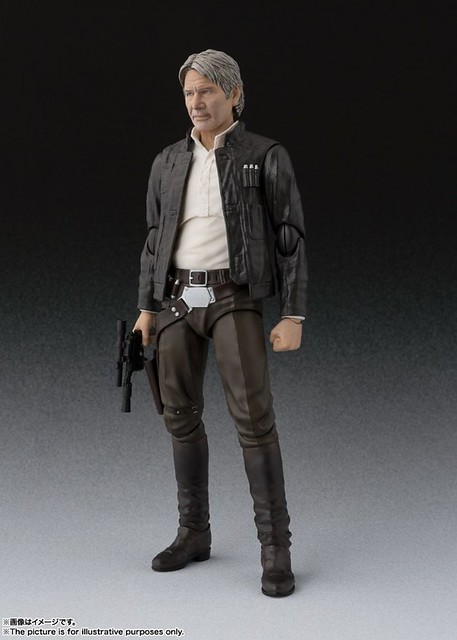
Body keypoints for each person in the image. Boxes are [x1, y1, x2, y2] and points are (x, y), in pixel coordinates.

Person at [133, 49, 307, 597]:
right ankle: (193, 532)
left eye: (207, 90)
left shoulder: (264, 155)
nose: (196, 102)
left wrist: (293, 313)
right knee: (179, 416)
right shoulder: (168, 161)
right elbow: (154, 239)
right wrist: (146, 308)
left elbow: (289, 235)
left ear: (234, 93)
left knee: (254, 419)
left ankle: (275, 548)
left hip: (234, 297)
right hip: (177, 302)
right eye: (189, 92)